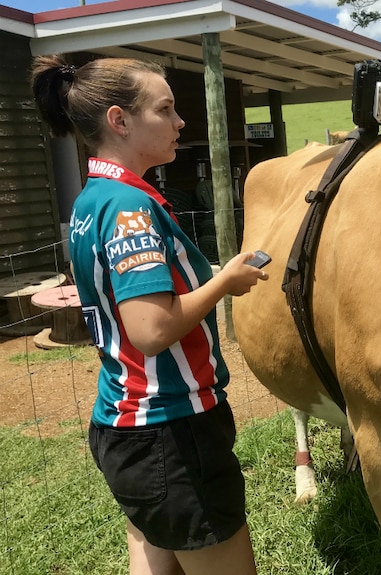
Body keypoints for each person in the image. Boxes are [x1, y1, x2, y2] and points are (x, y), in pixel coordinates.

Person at [31, 55, 267, 575]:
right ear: (120, 121)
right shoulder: (129, 209)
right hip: (171, 431)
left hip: (125, 422)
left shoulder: (93, 200)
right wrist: (224, 281)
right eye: (166, 109)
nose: (181, 122)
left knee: (152, 552)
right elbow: (152, 328)